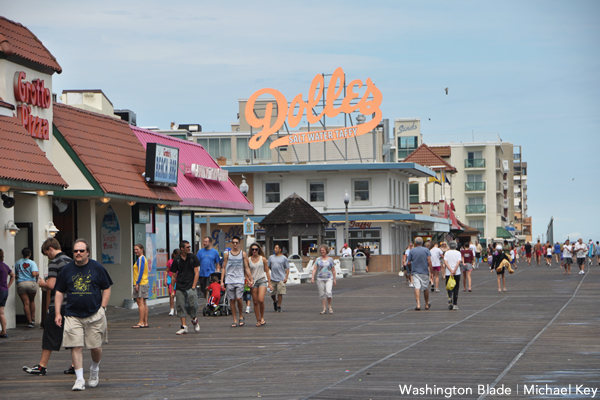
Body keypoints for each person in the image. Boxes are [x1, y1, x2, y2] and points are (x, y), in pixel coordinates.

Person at [54, 238, 113, 391]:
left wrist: (103, 308)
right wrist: (57, 313)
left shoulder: (97, 267)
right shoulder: (67, 270)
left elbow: (106, 288)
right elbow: (59, 291)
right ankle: (79, 379)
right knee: (76, 345)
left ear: (87, 252)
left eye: (81, 251)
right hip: (72, 314)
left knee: (95, 347)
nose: (78, 253)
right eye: (75, 251)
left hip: (94, 314)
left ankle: (94, 368)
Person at [23, 238, 73, 375]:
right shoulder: (70, 261)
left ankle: (42, 366)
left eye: (46, 254)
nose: (47, 257)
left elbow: (51, 285)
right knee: (72, 334)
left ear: (50, 249)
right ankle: (75, 364)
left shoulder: (54, 262)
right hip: (72, 303)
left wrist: (42, 284)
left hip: (58, 303)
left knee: (50, 333)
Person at [170, 240, 201, 335]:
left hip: (190, 286)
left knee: (192, 305)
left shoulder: (193, 258)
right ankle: (184, 326)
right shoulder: (177, 260)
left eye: (189, 247)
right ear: (182, 248)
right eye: (187, 247)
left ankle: (194, 319)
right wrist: (172, 290)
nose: (189, 248)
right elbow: (173, 276)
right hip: (180, 286)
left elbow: (196, 273)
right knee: (180, 306)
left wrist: (193, 286)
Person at [221, 236, 253, 327]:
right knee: (232, 300)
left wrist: (250, 279)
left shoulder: (243, 254)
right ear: (231, 243)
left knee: (239, 298)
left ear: (239, 243)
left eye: (236, 242)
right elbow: (224, 267)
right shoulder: (227, 254)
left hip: (239, 278)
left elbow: (246, 267)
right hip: (229, 279)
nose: (235, 244)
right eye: (233, 242)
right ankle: (234, 319)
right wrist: (222, 281)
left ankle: (241, 316)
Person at [248, 243, 271, 326]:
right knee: (255, 301)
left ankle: (262, 317)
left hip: (262, 280)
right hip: (253, 281)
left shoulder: (263, 259)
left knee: (261, 299)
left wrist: (269, 283)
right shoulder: (248, 260)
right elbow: (246, 272)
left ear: (259, 250)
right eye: (253, 249)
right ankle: (258, 320)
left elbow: (267, 271)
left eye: (256, 249)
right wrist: (248, 280)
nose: (254, 251)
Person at [15, 248, 39, 328]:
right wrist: (37, 275)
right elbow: (34, 274)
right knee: (32, 301)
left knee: (26, 303)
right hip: (31, 283)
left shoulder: (17, 263)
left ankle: (29, 322)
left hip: (21, 283)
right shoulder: (32, 263)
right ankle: (32, 319)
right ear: (29, 254)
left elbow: (15, 274)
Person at [407, 237, 432, 311]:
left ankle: (418, 304)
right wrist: (431, 270)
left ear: (415, 243)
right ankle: (426, 304)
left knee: (417, 287)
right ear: (422, 243)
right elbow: (429, 261)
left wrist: (411, 268)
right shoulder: (426, 250)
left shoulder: (412, 251)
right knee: (425, 287)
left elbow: (408, 262)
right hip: (424, 271)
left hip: (415, 271)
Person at [311, 244, 337, 314]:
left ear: (326, 251)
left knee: (328, 292)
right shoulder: (318, 259)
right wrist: (312, 277)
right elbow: (314, 269)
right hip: (320, 278)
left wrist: (334, 279)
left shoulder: (331, 260)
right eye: (321, 250)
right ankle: (324, 308)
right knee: (322, 294)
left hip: (329, 278)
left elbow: (333, 270)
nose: (322, 252)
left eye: (323, 250)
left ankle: (329, 306)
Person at [196, 236, 221, 302]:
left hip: (211, 274)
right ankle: (208, 300)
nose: (204, 243)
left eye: (206, 242)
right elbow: (196, 263)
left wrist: (217, 272)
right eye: (204, 241)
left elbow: (218, 263)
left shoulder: (215, 252)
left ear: (210, 242)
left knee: (209, 289)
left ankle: (209, 303)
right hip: (202, 274)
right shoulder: (200, 252)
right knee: (204, 289)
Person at [268, 244, 290, 313]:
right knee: (272, 293)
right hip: (273, 278)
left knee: (280, 292)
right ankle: (275, 301)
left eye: (277, 248)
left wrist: (286, 277)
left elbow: (287, 268)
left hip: (281, 278)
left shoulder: (284, 258)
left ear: (280, 249)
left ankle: (279, 306)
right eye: (274, 248)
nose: (275, 249)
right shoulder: (271, 257)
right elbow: (268, 266)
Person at [132, 244, 149, 328]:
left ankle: (141, 322)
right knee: (144, 303)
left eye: (137, 249)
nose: (136, 251)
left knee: (140, 303)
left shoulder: (141, 258)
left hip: (141, 283)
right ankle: (145, 322)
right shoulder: (143, 258)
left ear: (142, 249)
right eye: (135, 249)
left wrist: (137, 283)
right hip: (144, 282)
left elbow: (140, 271)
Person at [0, 248, 15, 338]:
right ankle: (4, 331)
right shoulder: (5, 266)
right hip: (4, 290)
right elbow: (13, 275)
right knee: (1, 312)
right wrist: (8, 285)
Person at [443, 241, 462, 310]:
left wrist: (450, 270)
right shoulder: (458, 253)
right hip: (456, 272)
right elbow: (458, 262)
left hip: (448, 272)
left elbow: (445, 262)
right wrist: (454, 270)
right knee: (456, 287)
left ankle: (449, 297)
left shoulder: (447, 253)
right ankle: (455, 304)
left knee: (449, 286)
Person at [166, 249, 180, 316]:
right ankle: (172, 309)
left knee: (178, 294)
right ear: (174, 255)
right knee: (172, 295)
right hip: (171, 278)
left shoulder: (180, 261)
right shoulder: (170, 261)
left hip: (179, 278)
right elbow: (167, 270)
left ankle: (178, 309)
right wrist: (165, 279)